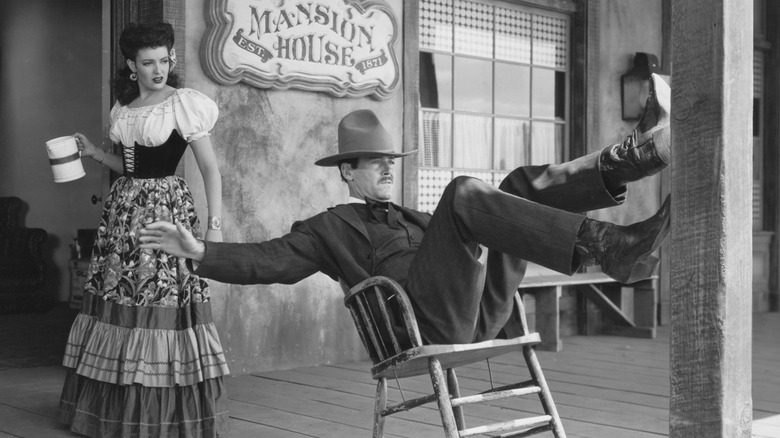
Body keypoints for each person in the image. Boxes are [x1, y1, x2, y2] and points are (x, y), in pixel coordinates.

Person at [140, 74, 672, 347]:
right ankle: (609, 246)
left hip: (480, 313)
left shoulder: (416, 219)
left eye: (392, 162)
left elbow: (469, 244)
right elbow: (268, 261)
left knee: (512, 185)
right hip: (422, 326)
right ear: (347, 171)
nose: (389, 171)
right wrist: (201, 252)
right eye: (375, 164)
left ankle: (632, 159)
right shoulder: (329, 228)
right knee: (464, 191)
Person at [59, 22, 229, 438]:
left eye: (164, 60)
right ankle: (116, 416)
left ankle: (162, 419)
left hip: (164, 213)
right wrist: (96, 153)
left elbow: (209, 169)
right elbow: (130, 166)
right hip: (122, 217)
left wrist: (215, 227)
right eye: (148, 62)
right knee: (119, 299)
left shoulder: (183, 104)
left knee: (161, 299)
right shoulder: (124, 109)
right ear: (132, 66)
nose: (158, 69)